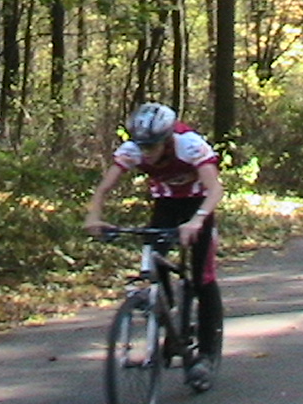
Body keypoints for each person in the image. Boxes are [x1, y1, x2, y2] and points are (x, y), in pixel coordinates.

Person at [84, 101, 224, 392]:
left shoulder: (189, 145)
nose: (146, 152)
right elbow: (104, 188)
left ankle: (206, 355)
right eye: (142, 146)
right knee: (152, 258)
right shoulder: (133, 149)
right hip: (166, 204)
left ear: (167, 138)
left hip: (198, 204)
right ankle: (164, 310)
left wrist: (197, 221)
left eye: (152, 146)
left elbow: (215, 189)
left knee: (202, 278)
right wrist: (94, 216)